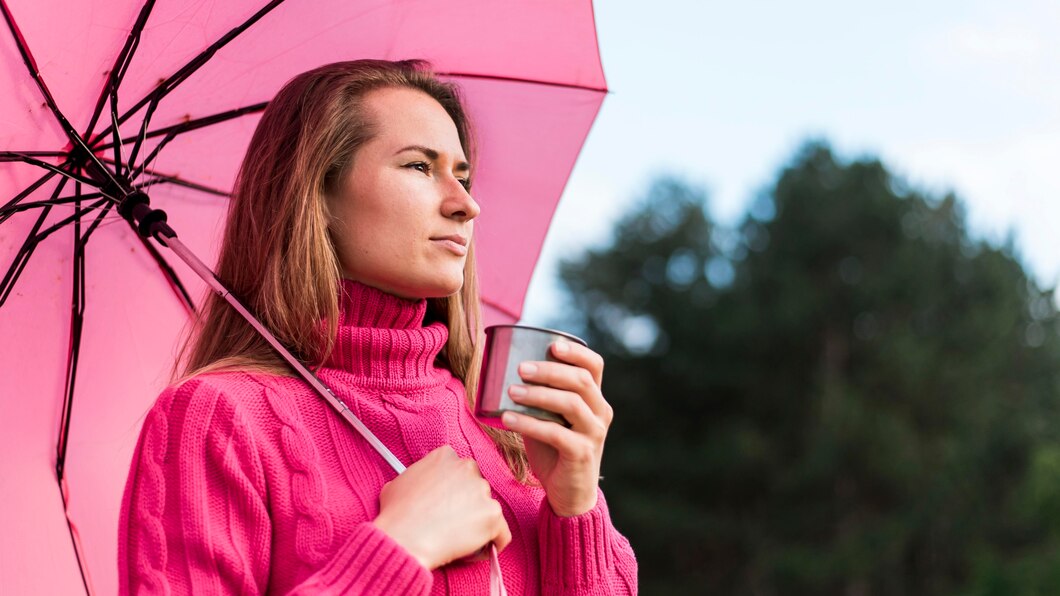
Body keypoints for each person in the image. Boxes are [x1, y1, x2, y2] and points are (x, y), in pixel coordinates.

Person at [118, 59, 638, 595]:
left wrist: (576, 506)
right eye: (418, 167)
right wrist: (399, 550)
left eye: (462, 176)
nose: (466, 204)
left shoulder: (505, 433)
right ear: (316, 194)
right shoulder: (220, 420)